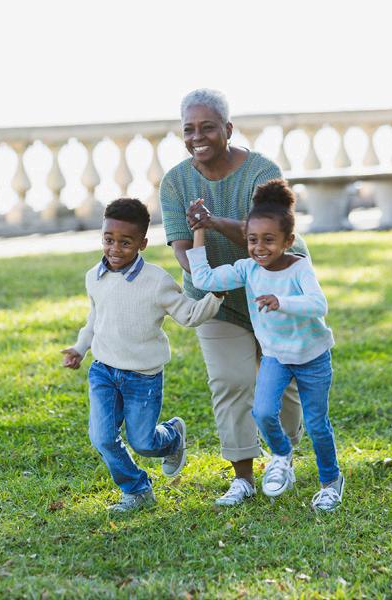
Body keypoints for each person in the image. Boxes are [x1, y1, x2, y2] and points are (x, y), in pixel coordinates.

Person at [159, 88, 309, 506]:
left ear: (227, 129)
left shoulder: (262, 172)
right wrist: (208, 279)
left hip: (273, 291)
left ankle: (282, 455)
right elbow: (181, 245)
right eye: (189, 129)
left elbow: (269, 238)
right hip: (216, 298)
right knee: (230, 381)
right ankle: (242, 477)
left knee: (282, 385)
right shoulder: (175, 182)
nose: (197, 137)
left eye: (207, 127)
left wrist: (213, 222)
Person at [187, 178, 344, 511]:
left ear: (288, 241)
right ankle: (282, 456)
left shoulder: (299, 267)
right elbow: (203, 279)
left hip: (313, 357)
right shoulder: (248, 269)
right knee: (262, 412)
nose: (259, 248)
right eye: (252, 239)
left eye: (269, 240)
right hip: (276, 357)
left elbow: (318, 305)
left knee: (317, 425)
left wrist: (281, 301)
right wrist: (199, 229)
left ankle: (331, 482)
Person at [61, 198, 224, 512]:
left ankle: (172, 437)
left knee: (144, 443)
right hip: (104, 371)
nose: (115, 249)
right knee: (102, 438)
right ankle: (137, 490)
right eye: (109, 239)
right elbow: (95, 319)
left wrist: (215, 297)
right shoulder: (94, 276)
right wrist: (80, 348)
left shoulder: (157, 281)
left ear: (142, 244)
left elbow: (189, 315)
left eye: (125, 242)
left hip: (142, 377)